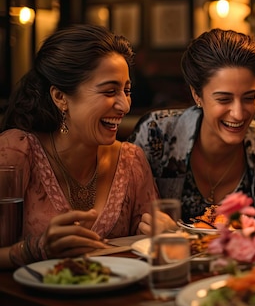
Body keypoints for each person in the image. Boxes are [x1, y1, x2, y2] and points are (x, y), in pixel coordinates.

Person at [0, 24, 159, 269]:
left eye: (126, 91)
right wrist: (33, 250)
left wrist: (166, 234)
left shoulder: (131, 160)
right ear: (60, 97)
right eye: (109, 91)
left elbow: (151, 249)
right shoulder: (16, 152)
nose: (125, 105)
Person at [128, 29, 255, 221]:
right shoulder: (156, 132)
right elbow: (129, 216)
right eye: (223, 99)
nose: (238, 113)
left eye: (249, 98)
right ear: (197, 95)